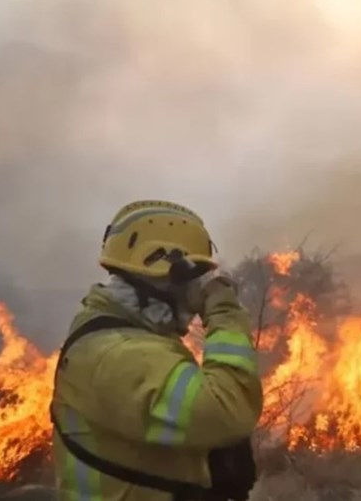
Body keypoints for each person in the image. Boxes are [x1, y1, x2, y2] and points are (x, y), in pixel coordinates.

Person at [50, 200, 263, 501]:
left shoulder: (128, 339)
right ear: (165, 277)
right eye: (193, 279)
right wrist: (224, 310)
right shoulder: (120, 354)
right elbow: (228, 409)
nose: (196, 293)